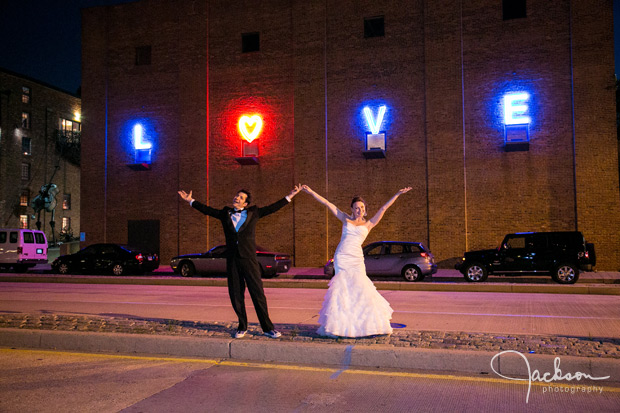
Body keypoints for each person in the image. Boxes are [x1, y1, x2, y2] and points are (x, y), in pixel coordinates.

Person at [178, 185, 301, 339]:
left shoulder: (254, 212)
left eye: (241, 197)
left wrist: (290, 196)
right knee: (236, 294)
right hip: (233, 261)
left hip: (249, 260)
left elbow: (272, 208)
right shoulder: (225, 213)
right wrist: (191, 201)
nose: (237, 198)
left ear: (245, 204)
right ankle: (242, 326)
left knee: (258, 294)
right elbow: (207, 210)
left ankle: (268, 328)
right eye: (237, 195)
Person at [301, 185, 412, 338]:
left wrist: (397, 194)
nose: (359, 210)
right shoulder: (345, 218)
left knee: (361, 289)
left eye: (361, 207)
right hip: (342, 257)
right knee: (343, 290)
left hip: (357, 259)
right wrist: (312, 192)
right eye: (356, 208)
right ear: (352, 209)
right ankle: (341, 327)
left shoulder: (369, 224)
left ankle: (364, 325)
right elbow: (328, 204)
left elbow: (384, 208)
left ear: (365, 209)